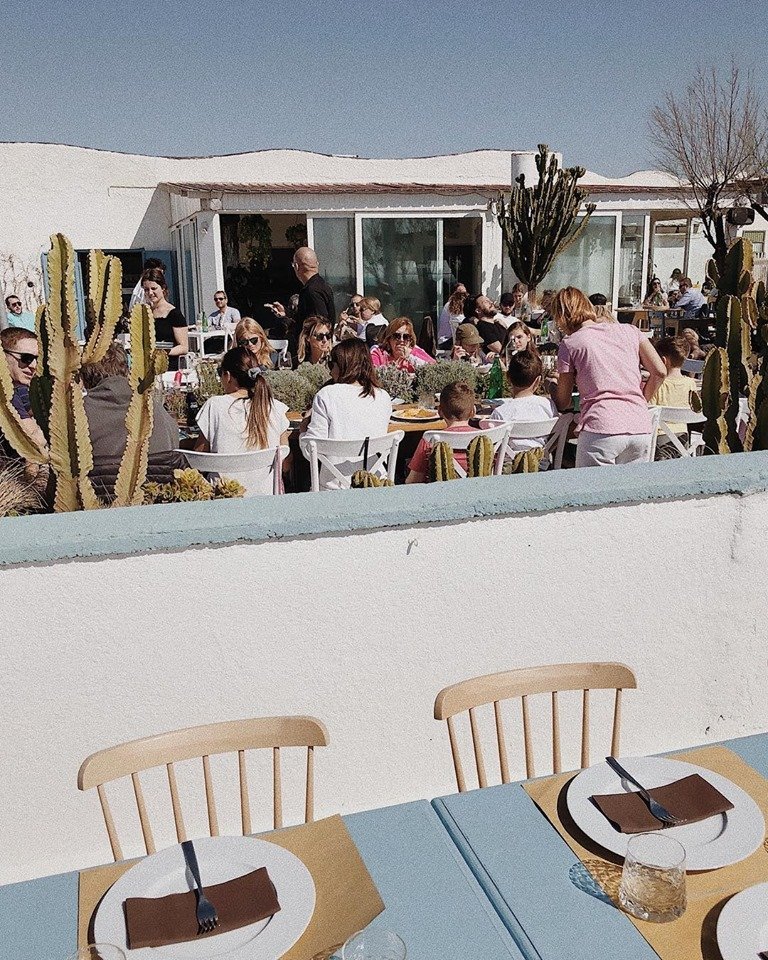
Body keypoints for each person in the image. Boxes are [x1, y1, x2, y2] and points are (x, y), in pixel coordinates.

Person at [551, 286, 666, 467]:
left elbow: (564, 401)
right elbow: (660, 371)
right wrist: (642, 399)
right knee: (631, 493)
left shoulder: (570, 343)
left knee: (591, 492)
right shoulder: (630, 331)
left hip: (601, 426)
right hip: (639, 426)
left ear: (561, 316)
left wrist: (553, 388)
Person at [81, 343, 181, 493]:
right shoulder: (155, 409)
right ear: (127, 370)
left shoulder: (78, 416)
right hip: (158, 502)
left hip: (97, 507)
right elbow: (174, 447)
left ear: (84, 376)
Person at [195, 346, 290, 496]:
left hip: (222, 500)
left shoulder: (215, 406)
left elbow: (199, 459)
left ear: (228, 376)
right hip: (266, 500)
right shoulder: (274, 408)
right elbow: (285, 464)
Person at [302, 338, 392, 489]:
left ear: (343, 365)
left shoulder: (327, 395)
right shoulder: (383, 396)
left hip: (334, 488)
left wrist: (303, 429)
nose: (330, 371)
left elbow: (310, 451)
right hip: (376, 482)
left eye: (332, 364)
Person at [405, 381, 478, 483]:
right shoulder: (486, 437)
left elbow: (412, 482)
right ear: (473, 411)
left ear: (439, 411)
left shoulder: (430, 439)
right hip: (477, 490)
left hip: (440, 495)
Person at [489, 350, 557, 459]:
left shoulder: (500, 413)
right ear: (538, 380)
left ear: (508, 377)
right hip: (541, 464)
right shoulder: (548, 405)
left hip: (507, 469)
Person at [0, 327, 46, 452]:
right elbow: (35, 441)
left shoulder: (18, 389)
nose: (33, 366)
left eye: (37, 359)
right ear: (3, 355)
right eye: (26, 358)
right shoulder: (4, 393)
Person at [266, 247, 335, 328]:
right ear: (317, 264)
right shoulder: (323, 286)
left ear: (296, 266)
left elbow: (319, 326)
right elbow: (307, 318)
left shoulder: (311, 291)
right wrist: (287, 313)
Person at [649, 336, 698, 445]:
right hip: (683, 438)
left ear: (663, 360)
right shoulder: (690, 384)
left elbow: (649, 413)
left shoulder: (658, 384)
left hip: (658, 439)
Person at [141, 267, 188, 369]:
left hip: (169, 366)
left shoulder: (174, 314)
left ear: (163, 288)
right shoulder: (144, 312)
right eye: (146, 289)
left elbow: (184, 347)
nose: (150, 293)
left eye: (154, 288)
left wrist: (162, 353)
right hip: (147, 366)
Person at [370, 317, 436, 371]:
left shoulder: (415, 351)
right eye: (396, 336)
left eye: (406, 337)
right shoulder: (378, 351)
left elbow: (435, 368)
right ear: (388, 338)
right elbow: (373, 372)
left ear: (410, 340)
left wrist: (410, 357)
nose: (401, 340)